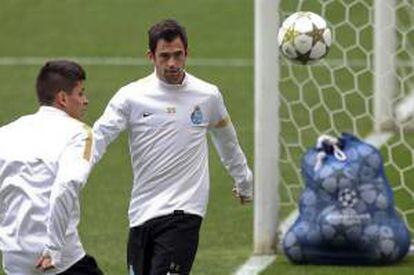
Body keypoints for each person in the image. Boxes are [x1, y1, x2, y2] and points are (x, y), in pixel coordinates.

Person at [93, 19, 253, 275]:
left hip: (184, 212)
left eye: (178, 55)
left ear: (187, 53)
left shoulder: (207, 95)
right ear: (151, 56)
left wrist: (244, 180)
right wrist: (77, 169)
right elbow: (99, 136)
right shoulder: (130, 97)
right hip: (141, 214)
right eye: (164, 56)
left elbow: (227, 140)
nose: (172, 63)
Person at [0, 60, 103, 274]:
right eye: (81, 93)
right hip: (59, 259)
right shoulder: (79, 132)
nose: (85, 101)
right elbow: (67, 185)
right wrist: (53, 247)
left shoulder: (6, 133)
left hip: (14, 259)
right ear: (63, 98)